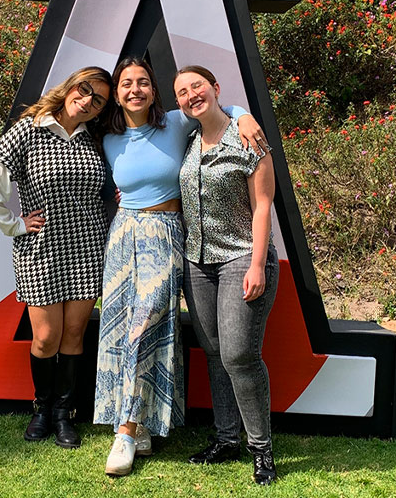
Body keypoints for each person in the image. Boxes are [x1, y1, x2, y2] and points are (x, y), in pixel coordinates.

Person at [95, 56, 268, 476]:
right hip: (122, 237)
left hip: (166, 233)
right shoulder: (107, 139)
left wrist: (244, 116)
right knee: (121, 328)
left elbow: (215, 109)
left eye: (142, 83)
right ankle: (144, 426)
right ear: (117, 95)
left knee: (146, 321)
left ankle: (125, 430)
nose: (134, 89)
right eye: (125, 84)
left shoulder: (175, 122)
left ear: (153, 91)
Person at [0, 66, 112, 449]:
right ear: (70, 87)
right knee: (46, 337)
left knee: (73, 334)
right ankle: (42, 408)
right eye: (84, 90)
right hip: (41, 249)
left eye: (97, 100)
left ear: (101, 110)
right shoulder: (30, 130)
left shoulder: (97, 138)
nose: (86, 101)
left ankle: (64, 414)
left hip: (86, 247)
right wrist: (13, 224)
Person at [173, 65, 279, 485]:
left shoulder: (248, 137)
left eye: (197, 86)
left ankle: (262, 450)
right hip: (197, 263)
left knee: (239, 355)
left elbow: (263, 205)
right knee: (215, 352)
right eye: (182, 92)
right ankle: (225, 438)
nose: (190, 95)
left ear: (215, 89)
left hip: (241, 259)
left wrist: (256, 265)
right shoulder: (187, 140)